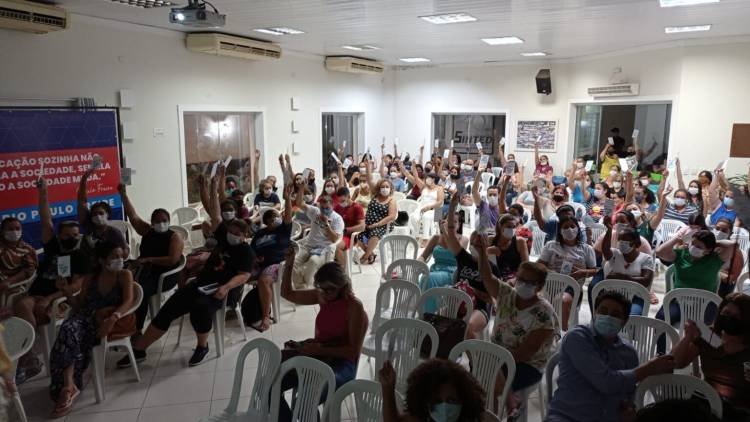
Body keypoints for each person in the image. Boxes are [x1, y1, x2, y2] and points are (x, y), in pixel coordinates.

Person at [123, 219, 253, 367]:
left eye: (237, 234)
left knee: (200, 308)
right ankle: (140, 350)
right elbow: (215, 214)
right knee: (168, 308)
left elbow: (244, 275)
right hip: (201, 284)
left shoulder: (246, 252)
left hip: (223, 291)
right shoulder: (224, 240)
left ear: (244, 236)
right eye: (231, 232)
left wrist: (226, 287)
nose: (232, 235)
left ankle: (202, 347)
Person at [546, 291, 676, 422]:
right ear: (594, 313)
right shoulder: (577, 337)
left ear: (624, 322)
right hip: (568, 416)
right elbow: (606, 381)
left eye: (615, 315)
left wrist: (628, 408)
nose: (607, 317)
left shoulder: (628, 353)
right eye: (603, 311)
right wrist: (648, 368)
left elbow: (628, 393)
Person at [13, 178, 86, 384]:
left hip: (59, 299)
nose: (71, 238)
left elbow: (77, 285)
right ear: (59, 236)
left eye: (75, 234)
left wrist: (51, 297)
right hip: (38, 293)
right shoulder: (53, 247)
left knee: (36, 310)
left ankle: (27, 359)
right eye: (66, 235)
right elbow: (46, 219)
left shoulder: (80, 256)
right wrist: (43, 192)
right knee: (22, 305)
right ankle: (28, 357)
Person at [49, 242, 134, 418]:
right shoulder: (91, 278)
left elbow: (128, 301)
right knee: (68, 329)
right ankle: (68, 385)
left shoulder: (124, 275)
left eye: (121, 256)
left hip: (107, 320)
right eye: (114, 257)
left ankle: (68, 387)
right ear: (102, 261)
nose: (119, 260)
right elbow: (79, 305)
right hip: (85, 318)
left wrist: (113, 318)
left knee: (69, 332)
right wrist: (66, 291)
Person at [278, 254, 367, 422]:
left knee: (305, 400)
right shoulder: (322, 296)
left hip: (343, 363)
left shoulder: (354, 306)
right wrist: (289, 263)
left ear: (342, 286)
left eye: (330, 290)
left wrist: (320, 349)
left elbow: (353, 351)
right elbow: (286, 293)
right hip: (320, 355)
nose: (325, 294)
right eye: (321, 288)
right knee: (270, 384)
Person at [477, 240, 557, 417]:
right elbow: (486, 277)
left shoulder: (544, 313)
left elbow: (525, 353)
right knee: (480, 375)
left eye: (530, 282)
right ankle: (509, 402)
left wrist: (494, 360)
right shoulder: (506, 294)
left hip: (527, 366)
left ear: (540, 286)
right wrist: (482, 251)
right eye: (521, 279)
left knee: (487, 380)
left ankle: (500, 409)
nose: (523, 284)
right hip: (499, 358)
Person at [671, 292, 750, 421]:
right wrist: (688, 338)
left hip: (739, 409)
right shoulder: (710, 335)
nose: (730, 319)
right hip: (706, 400)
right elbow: (676, 362)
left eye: (737, 316)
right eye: (727, 313)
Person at [118, 184, 183, 336]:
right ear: (152, 222)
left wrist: (149, 260)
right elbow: (132, 215)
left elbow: (172, 260)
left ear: (169, 220)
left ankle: (137, 330)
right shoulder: (148, 231)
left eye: (164, 220)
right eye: (158, 221)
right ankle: (121, 324)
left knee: (140, 290)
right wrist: (123, 194)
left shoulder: (174, 237)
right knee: (121, 284)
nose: (161, 223)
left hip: (165, 275)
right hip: (145, 271)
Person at [443, 193, 500, 339]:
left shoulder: (491, 269)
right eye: (474, 244)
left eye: (480, 244)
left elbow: (494, 300)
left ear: (486, 245)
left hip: (479, 308)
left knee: (467, 327)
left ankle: (474, 362)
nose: (476, 246)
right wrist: (452, 206)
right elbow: (450, 232)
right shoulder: (464, 258)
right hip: (456, 303)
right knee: (440, 322)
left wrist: (472, 292)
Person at [654, 229, 733, 332]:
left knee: (701, 331)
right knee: (660, 321)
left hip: (704, 305)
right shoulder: (681, 254)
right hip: (679, 301)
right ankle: (662, 348)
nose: (693, 247)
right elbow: (660, 252)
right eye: (693, 243)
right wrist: (676, 239)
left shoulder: (714, 259)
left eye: (699, 247)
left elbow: (733, 245)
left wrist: (715, 243)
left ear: (708, 250)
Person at [537, 215, 597, 331]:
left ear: (578, 228)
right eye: (565, 227)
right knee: (536, 299)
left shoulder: (586, 249)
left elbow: (594, 270)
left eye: (572, 226)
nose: (569, 229)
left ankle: (561, 333)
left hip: (572, 287)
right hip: (549, 284)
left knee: (562, 300)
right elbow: (539, 264)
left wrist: (582, 272)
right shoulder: (551, 245)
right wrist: (550, 272)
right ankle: (540, 330)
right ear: (559, 231)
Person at [247, 186, 294, 332]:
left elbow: (288, 216)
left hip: (276, 264)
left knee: (263, 280)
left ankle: (266, 316)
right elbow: (252, 250)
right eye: (272, 218)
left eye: (277, 216)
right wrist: (255, 259)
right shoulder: (260, 233)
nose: (276, 219)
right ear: (266, 222)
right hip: (259, 263)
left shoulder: (283, 231)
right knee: (240, 274)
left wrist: (287, 199)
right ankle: (237, 308)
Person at [380, 358, 486, 422]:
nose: (444, 408)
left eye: (452, 400)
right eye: (437, 401)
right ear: (425, 402)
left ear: (464, 399)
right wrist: (387, 389)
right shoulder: (422, 418)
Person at [600, 220, 655, 315]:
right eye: (620, 239)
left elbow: (646, 280)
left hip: (636, 297)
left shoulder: (646, 258)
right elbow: (605, 250)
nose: (622, 242)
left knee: (631, 316)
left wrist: (621, 277)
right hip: (614, 296)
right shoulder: (616, 254)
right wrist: (609, 230)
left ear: (635, 242)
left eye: (625, 240)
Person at [292, 189, 344, 287]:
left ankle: (308, 283)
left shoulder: (337, 219)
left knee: (313, 261)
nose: (324, 210)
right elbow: (299, 203)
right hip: (308, 246)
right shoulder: (315, 212)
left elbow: (334, 239)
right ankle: (300, 285)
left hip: (324, 249)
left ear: (332, 206)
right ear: (319, 206)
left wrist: (326, 225)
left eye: (327, 208)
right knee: (292, 262)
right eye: (322, 208)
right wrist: (301, 187)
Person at [76, 169, 128, 257]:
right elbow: (82, 201)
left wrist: (115, 255)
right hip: (87, 264)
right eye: (95, 214)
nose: (98, 216)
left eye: (101, 213)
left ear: (107, 215)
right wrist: (84, 178)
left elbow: (125, 252)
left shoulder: (114, 232)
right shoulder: (88, 226)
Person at [357, 161, 398, 265]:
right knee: (359, 235)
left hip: (383, 225)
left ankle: (365, 256)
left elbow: (392, 216)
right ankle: (371, 254)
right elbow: (369, 180)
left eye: (387, 187)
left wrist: (377, 224)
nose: (384, 189)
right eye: (382, 187)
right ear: (379, 189)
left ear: (390, 189)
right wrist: (368, 167)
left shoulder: (391, 200)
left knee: (374, 233)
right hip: (367, 223)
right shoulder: (375, 195)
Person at [418, 211, 467, 292]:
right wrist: (420, 262)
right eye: (449, 220)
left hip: (451, 273)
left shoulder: (463, 239)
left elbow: (454, 250)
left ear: (459, 225)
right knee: (424, 278)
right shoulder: (436, 238)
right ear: (445, 221)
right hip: (434, 270)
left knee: (428, 279)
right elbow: (423, 256)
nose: (451, 224)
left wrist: (444, 231)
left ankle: (424, 304)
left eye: (455, 221)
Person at [0, 217, 37, 298]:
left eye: (17, 228)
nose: (14, 232)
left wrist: (9, 281)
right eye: (10, 229)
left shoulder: (27, 249)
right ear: (2, 231)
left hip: (15, 284)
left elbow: (29, 270)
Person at [406, 165, 444, 242]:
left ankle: (425, 239)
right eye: (426, 178)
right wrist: (414, 169)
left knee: (426, 217)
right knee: (413, 217)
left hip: (435, 210)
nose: (426, 180)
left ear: (433, 179)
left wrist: (429, 207)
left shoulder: (439, 188)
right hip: (421, 207)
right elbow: (416, 178)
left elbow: (440, 202)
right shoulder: (423, 187)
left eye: (428, 178)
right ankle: (416, 236)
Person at [486, 214, 529, 281]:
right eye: (508, 227)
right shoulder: (491, 240)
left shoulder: (520, 242)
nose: (512, 229)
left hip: (515, 279)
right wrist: (488, 251)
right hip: (495, 278)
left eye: (514, 227)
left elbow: (526, 265)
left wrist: (515, 279)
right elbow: (479, 258)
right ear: (500, 227)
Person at [333, 187, 366, 268]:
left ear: (349, 197)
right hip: (337, 234)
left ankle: (343, 272)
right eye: (339, 201)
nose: (341, 203)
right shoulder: (338, 207)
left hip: (350, 237)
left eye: (343, 201)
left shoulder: (357, 208)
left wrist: (347, 230)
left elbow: (362, 226)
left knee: (336, 246)